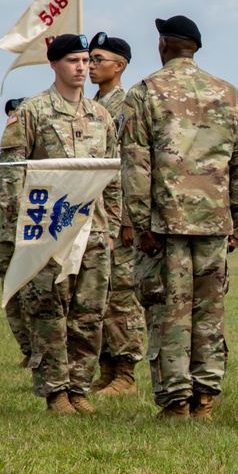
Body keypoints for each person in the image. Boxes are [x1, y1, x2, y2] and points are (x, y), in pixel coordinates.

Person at [121, 15, 238, 421]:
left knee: (170, 312)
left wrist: (140, 224)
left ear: (164, 44)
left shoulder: (144, 93)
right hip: (215, 223)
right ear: (195, 48)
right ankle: (206, 400)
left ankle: (176, 400)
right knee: (209, 313)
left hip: (166, 225)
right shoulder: (228, 93)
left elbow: (136, 165)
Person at [0, 34, 120, 415]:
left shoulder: (101, 117)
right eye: (72, 61)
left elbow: (113, 176)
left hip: (93, 233)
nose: (81, 67)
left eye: (85, 60)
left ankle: (80, 388)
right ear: (53, 64)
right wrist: (22, 226)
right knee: (49, 311)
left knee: (89, 314)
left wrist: (112, 228)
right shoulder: (32, 112)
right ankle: (56, 392)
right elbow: (11, 174)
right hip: (47, 230)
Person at [86, 32, 144, 396]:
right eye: (89, 60)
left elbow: (132, 165)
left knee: (122, 293)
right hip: (94, 213)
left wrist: (126, 219)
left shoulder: (128, 105)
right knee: (100, 294)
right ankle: (107, 369)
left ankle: (126, 374)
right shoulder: (92, 105)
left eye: (98, 60)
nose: (90, 66)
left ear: (119, 65)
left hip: (119, 215)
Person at [0, 98, 30, 368]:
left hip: (35, 229)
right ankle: (29, 349)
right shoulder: (12, 149)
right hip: (11, 231)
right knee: (11, 292)